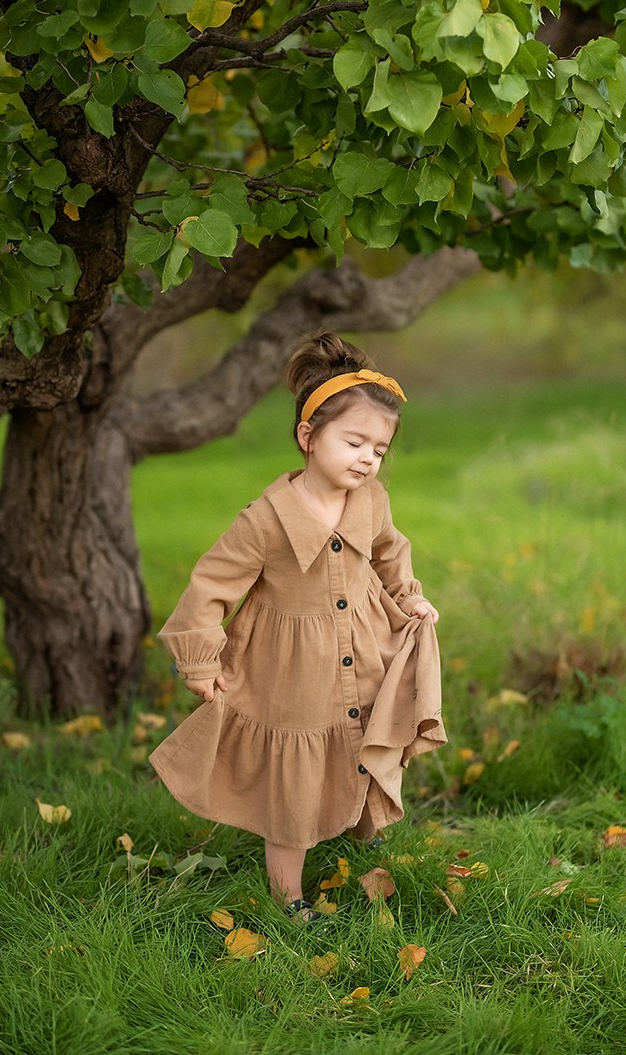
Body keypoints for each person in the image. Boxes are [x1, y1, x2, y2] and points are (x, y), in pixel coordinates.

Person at [149, 332, 447, 921]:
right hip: (290, 672)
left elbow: (390, 552)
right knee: (296, 776)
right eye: (354, 441)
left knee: (359, 742)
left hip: (361, 651)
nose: (367, 458)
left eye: (379, 449)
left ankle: (358, 823)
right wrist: (202, 661)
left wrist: (407, 598)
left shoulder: (372, 501)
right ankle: (288, 892)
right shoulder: (267, 521)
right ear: (308, 438)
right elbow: (211, 585)